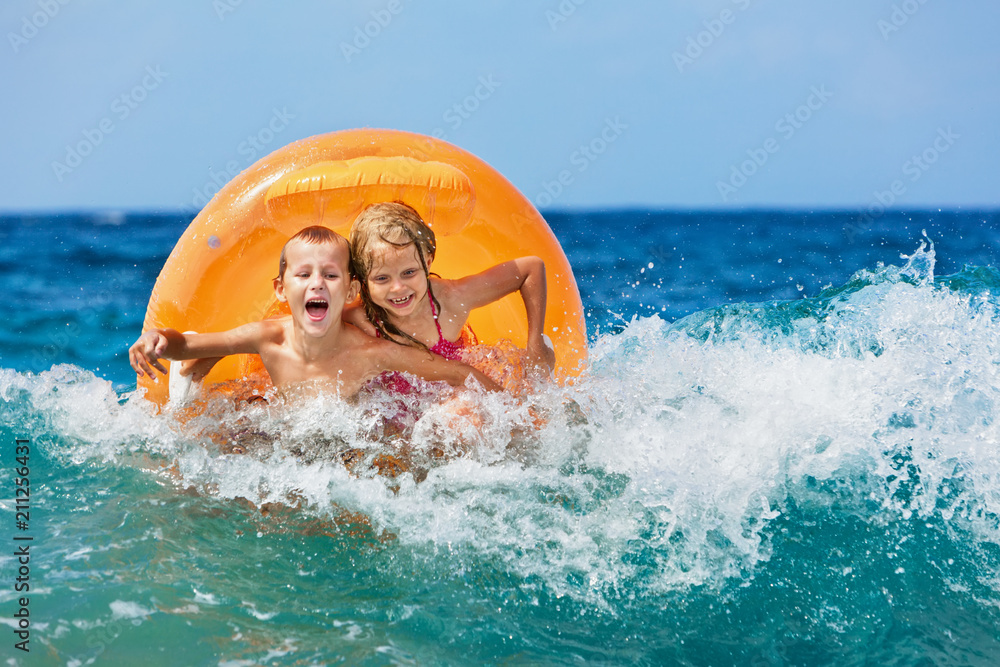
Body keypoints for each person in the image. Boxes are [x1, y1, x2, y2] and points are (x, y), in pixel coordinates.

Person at [129, 226, 500, 400]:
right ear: (280, 288)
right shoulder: (268, 337)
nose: (317, 284)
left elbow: (459, 373)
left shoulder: (373, 353)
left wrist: (518, 412)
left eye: (331, 275)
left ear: (352, 289)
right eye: (304, 274)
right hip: (282, 433)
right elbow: (188, 347)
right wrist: (157, 338)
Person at [346, 202, 556, 372]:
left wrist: (535, 344)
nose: (398, 287)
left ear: (427, 263)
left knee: (459, 411)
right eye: (382, 278)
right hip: (400, 409)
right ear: (363, 279)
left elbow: (531, 269)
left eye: (409, 273)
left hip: (455, 391)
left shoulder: (451, 299)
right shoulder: (359, 318)